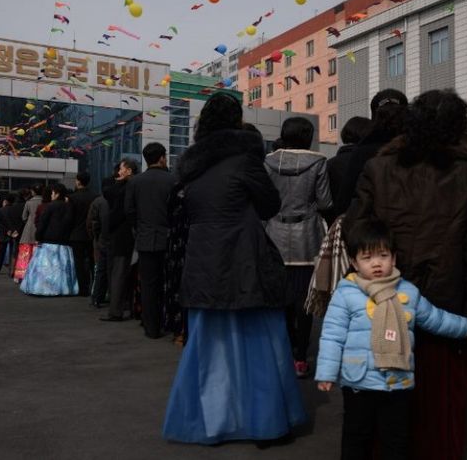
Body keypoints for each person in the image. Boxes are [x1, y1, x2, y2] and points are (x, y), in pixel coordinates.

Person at [344, 89, 467, 460]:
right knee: (438, 397)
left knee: (385, 392)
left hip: (383, 295)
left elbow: (355, 232)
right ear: (458, 127)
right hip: (446, 301)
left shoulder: (379, 167)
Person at [162, 92, 307, 445]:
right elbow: (269, 205)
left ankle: (208, 422)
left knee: (208, 346)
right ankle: (265, 424)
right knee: (258, 339)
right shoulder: (245, 160)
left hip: (202, 260)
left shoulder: (190, 168)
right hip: (244, 257)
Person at [316, 219, 467, 460]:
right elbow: (332, 335)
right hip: (359, 383)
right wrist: (327, 372)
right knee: (356, 437)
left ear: (393, 258)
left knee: (396, 440)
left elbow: (435, 318)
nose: (376, 264)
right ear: (354, 262)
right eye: (367, 257)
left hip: (397, 383)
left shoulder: (408, 292)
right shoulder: (345, 293)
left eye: (382, 255)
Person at [265, 116, 332, 377]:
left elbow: (266, 200)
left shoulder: (268, 161)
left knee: (279, 299)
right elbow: (325, 202)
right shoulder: (318, 162)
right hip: (307, 236)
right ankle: (301, 358)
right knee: (304, 301)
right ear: (308, 136)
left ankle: (282, 351)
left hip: (275, 235)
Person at [125, 142, 176, 339]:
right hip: (168, 239)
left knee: (148, 285)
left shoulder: (135, 182)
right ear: (162, 157)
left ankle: (151, 326)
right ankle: (168, 322)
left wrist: (138, 229)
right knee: (168, 283)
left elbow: (129, 211)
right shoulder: (172, 180)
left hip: (145, 239)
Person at [333, 89, 408, 217]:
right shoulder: (422, 149)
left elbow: (344, 204)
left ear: (374, 118)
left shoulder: (362, 152)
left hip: (373, 232)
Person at [20, 183, 79, 296]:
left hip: (49, 241)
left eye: (52, 192)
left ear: (56, 194)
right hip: (64, 243)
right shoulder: (70, 207)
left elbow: (42, 223)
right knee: (62, 268)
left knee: (46, 267)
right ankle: (63, 289)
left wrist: (38, 236)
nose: (51, 195)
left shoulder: (50, 206)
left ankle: (44, 288)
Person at [100, 158, 139, 322]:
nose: (118, 172)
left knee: (118, 273)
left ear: (129, 171)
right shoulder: (133, 185)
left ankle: (116, 311)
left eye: (121, 169)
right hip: (131, 235)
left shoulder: (126, 188)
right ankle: (128, 307)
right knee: (127, 274)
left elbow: (111, 197)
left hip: (122, 236)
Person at [323, 116, 372, 225]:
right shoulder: (371, 162)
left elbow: (324, 202)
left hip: (336, 225)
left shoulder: (329, 164)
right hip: (366, 227)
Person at [69, 172, 98, 298]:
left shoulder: (72, 198)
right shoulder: (95, 196)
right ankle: (95, 287)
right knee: (93, 262)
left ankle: (83, 289)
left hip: (76, 235)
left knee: (79, 263)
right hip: (92, 234)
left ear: (78, 181)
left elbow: (69, 217)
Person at [87, 177, 113, 308]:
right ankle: (114, 298)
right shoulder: (119, 200)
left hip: (101, 240)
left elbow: (91, 223)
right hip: (115, 241)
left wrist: (95, 237)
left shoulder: (97, 202)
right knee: (114, 271)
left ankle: (97, 297)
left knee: (101, 270)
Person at [14, 184, 43, 283]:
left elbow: (24, 217)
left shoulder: (29, 202)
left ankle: (22, 275)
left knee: (25, 254)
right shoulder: (45, 202)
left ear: (33, 192)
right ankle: (35, 276)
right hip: (40, 230)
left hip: (29, 230)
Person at [0, 195, 15, 275]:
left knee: (1, 252)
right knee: (13, 252)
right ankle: (11, 270)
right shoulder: (14, 209)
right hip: (13, 233)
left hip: (3, 233)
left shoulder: (0, 210)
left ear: (6, 201)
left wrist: (6, 230)